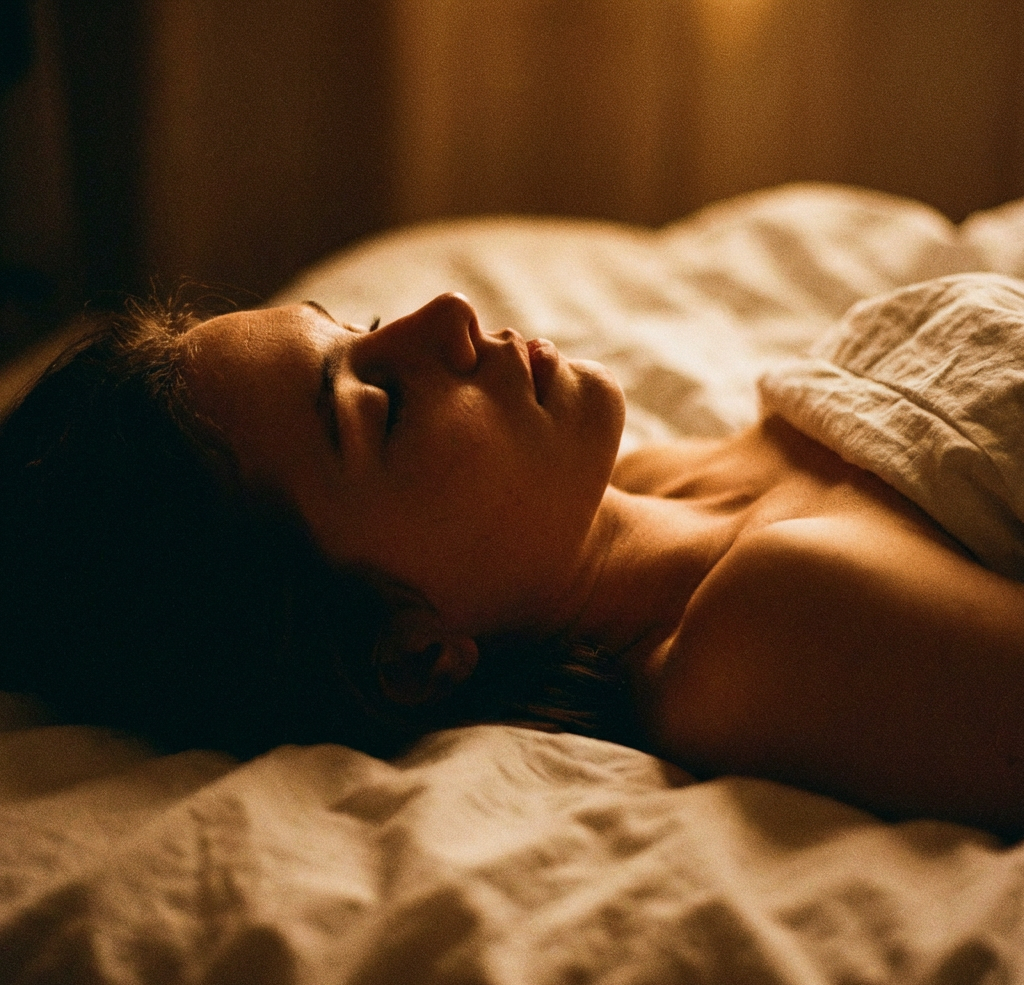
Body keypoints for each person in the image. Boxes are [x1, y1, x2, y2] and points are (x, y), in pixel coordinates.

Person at [2, 285, 1023, 839]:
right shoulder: (764, 631)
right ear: (410, 652)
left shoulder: (671, 474)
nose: (443, 317)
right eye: (380, 404)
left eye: (361, 329)